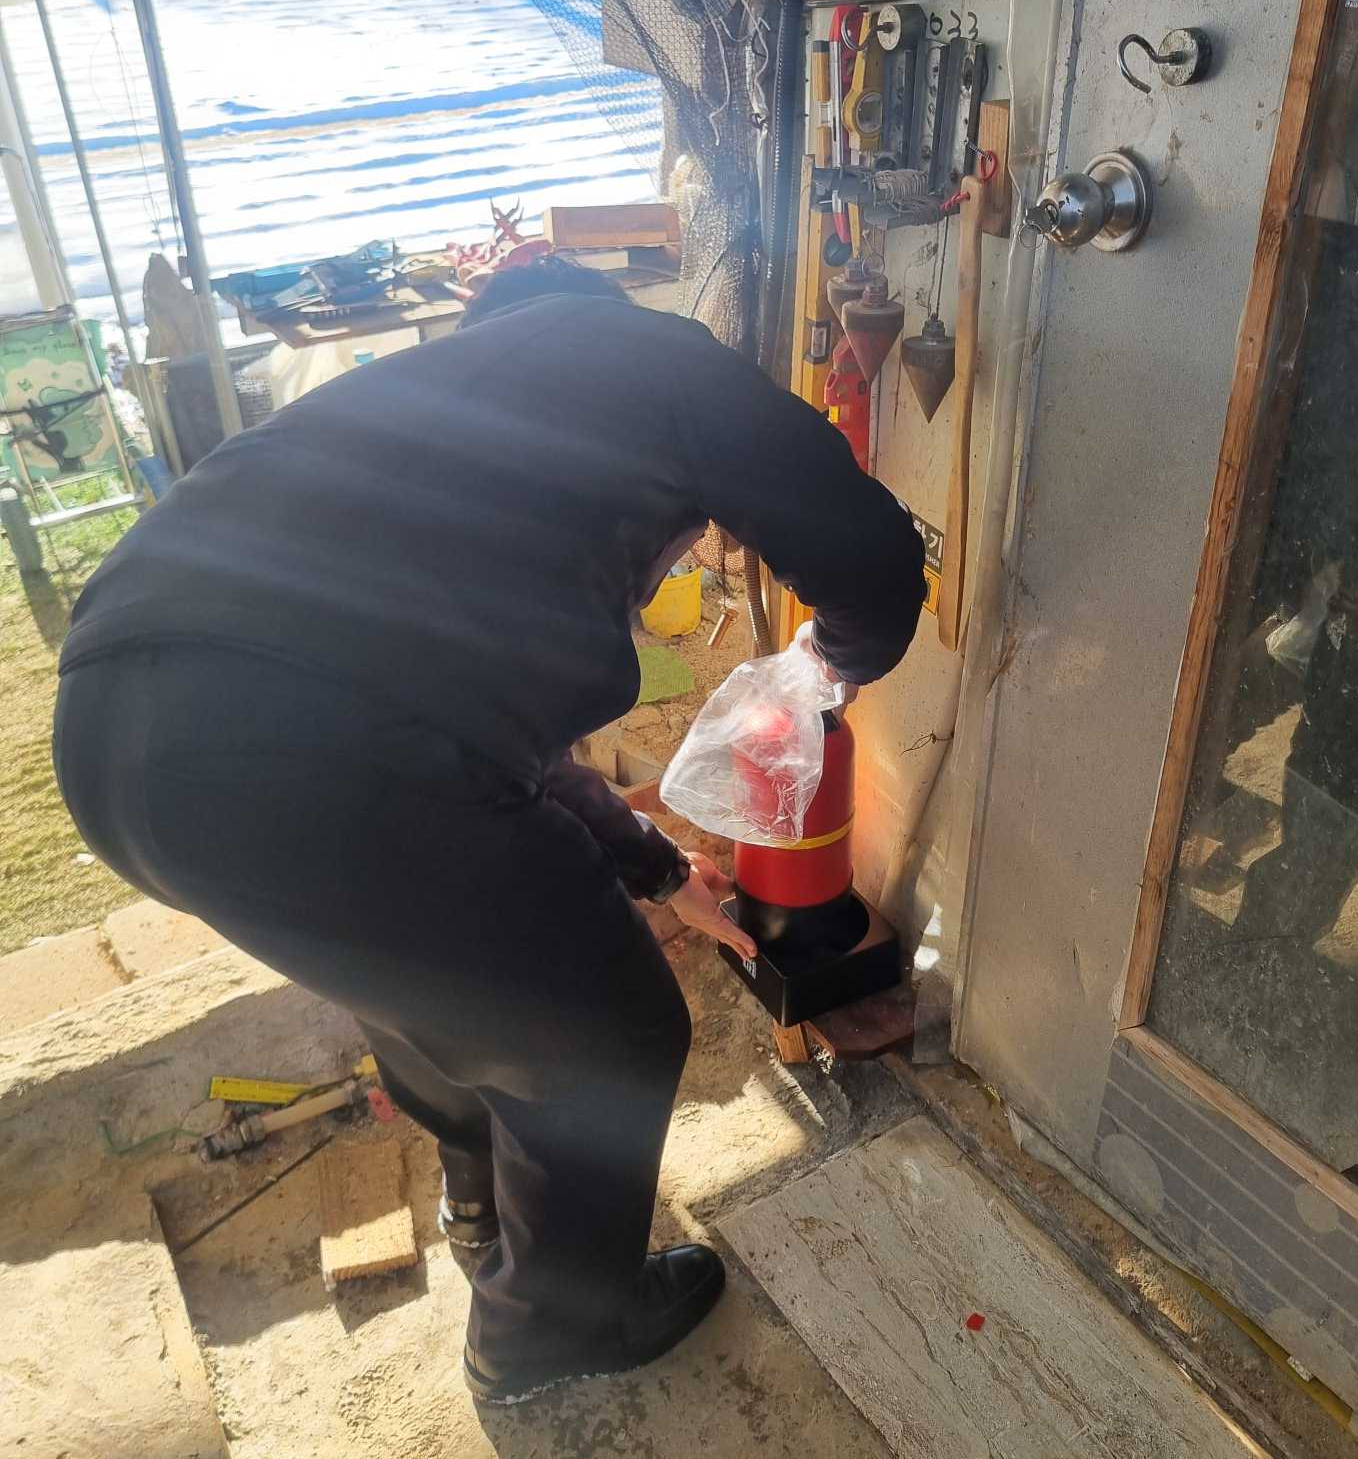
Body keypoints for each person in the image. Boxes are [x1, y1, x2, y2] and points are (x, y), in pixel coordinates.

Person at [52, 256, 924, 1404]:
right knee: (610, 1035)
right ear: (590, 319)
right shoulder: (641, 355)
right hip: (314, 753)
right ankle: (549, 1331)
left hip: (114, 746)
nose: (680, 548)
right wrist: (832, 665)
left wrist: (662, 870)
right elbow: (871, 558)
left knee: (433, 974)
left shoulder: (422, 426)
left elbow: (499, 753)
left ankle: (482, 1214)